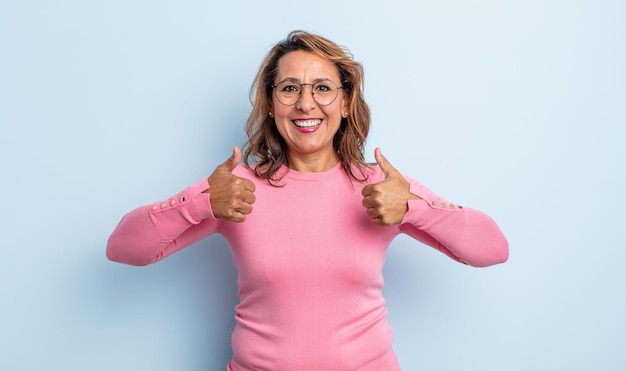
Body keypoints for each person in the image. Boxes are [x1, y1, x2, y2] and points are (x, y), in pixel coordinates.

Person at [106, 30, 508, 371]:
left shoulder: (383, 189)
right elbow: (123, 248)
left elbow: (492, 249)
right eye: (289, 88)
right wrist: (200, 202)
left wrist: (415, 207)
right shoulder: (237, 189)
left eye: (322, 88)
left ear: (346, 102)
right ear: (270, 103)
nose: (305, 103)